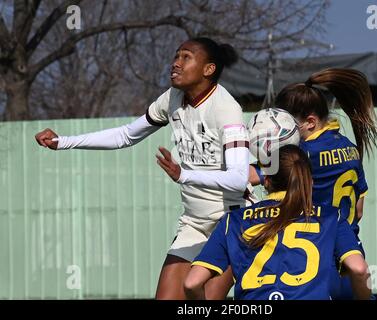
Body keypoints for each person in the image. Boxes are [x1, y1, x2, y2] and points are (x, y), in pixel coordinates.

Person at [35, 37, 253, 299]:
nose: (175, 63)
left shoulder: (227, 109)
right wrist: (64, 142)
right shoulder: (172, 98)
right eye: (176, 56)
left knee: (203, 298)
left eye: (186, 57)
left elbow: (240, 180)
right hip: (194, 223)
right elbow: (126, 135)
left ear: (208, 69)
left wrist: (184, 175)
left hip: (230, 221)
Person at [249, 68, 377, 299]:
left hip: (317, 258)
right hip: (351, 252)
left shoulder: (305, 154)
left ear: (310, 122)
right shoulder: (350, 147)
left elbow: (251, 176)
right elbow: (358, 211)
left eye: (287, 128)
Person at [184, 145, 371, 300]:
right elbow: (359, 269)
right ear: (309, 181)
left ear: (266, 181)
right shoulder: (331, 216)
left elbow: (192, 283)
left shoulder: (233, 220)